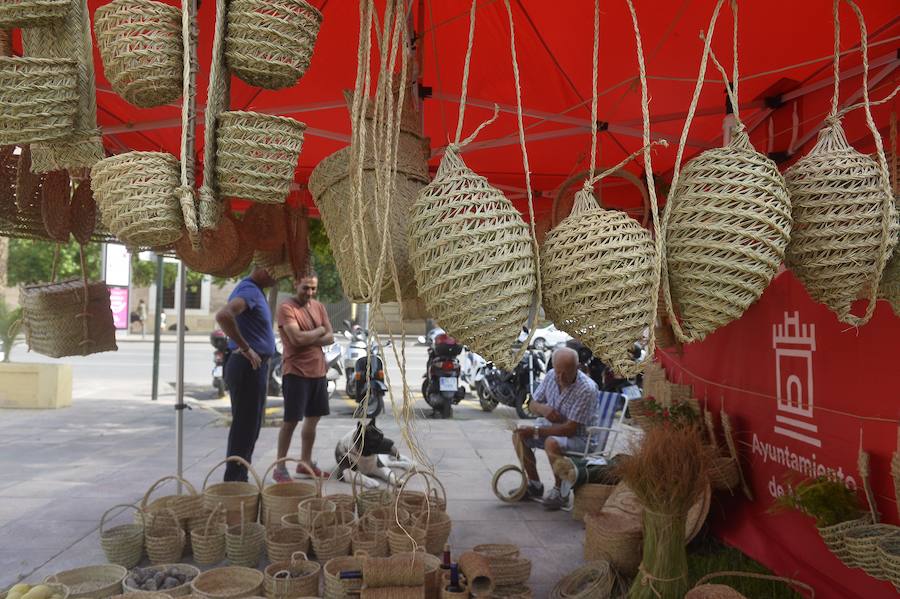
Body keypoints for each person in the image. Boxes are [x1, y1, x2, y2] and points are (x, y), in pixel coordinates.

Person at [513, 346, 598, 510]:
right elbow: (532, 404)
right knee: (519, 435)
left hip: (581, 438)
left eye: (565, 372)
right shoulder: (552, 376)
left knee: (551, 442)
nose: (560, 377)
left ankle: (560, 492)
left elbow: (569, 429)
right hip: (553, 430)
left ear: (577, 368)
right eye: (558, 371)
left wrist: (536, 431)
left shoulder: (587, 388)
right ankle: (535, 485)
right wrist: (544, 409)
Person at [215, 266, 279, 482]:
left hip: (252, 368)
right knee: (244, 428)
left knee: (248, 427)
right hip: (247, 367)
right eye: (273, 271)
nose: (276, 277)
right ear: (260, 268)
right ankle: (234, 482)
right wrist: (245, 347)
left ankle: (238, 478)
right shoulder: (250, 290)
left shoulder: (253, 290)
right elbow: (223, 315)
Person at [273, 269, 334, 482]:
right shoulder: (286, 308)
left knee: (312, 420)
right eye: (305, 288)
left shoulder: (319, 307)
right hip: (296, 372)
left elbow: (331, 337)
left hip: (318, 371)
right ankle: (280, 468)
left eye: (313, 288)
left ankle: (305, 463)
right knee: (290, 421)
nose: (309, 292)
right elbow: (296, 339)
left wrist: (312, 335)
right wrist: (318, 332)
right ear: (295, 284)